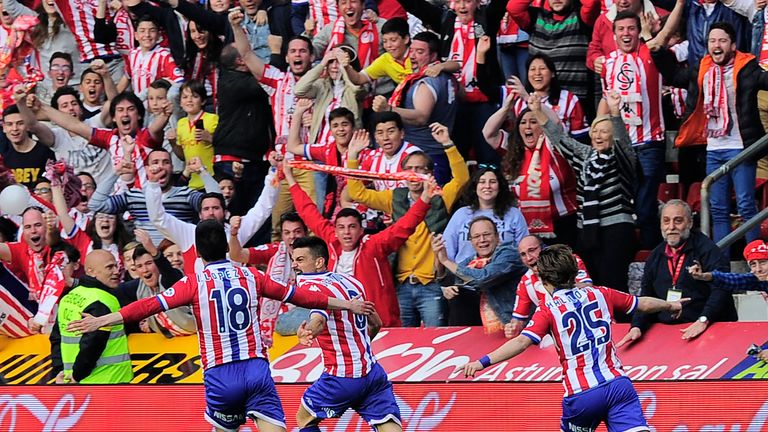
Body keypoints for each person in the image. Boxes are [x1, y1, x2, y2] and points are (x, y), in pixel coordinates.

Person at [66, 219, 375, 432]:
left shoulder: (194, 281)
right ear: (228, 249)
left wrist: (102, 320)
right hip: (256, 369)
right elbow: (304, 297)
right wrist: (347, 304)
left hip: (220, 374)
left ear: (198, 253)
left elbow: (146, 306)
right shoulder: (252, 275)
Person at [459, 244, 688, 431]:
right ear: (573, 272)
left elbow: (521, 342)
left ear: (543, 281)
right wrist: (671, 304)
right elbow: (643, 303)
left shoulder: (548, 309)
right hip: (619, 386)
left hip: (583, 395)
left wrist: (481, 362)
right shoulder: (600, 293)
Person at [655, 22, 768, 248]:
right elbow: (674, 77)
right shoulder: (702, 69)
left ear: (733, 45)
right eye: (712, 41)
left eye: (723, 41)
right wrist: (657, 50)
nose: (717, 45)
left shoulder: (747, 67)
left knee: (746, 204)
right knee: (718, 208)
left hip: (741, 147)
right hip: (714, 148)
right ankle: (720, 265)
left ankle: (757, 260)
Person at [346, 123, 470, 327]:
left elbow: (462, 178)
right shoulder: (394, 198)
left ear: (430, 173)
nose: (414, 173)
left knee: (435, 341)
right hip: (401, 285)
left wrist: (448, 144)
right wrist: (353, 157)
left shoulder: (440, 197)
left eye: (421, 169)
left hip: (431, 285)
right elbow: (357, 193)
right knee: (401, 339)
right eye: (410, 169)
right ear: (402, 173)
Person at [284, 162, 434, 327]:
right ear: (336, 229)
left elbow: (404, 226)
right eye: (341, 227)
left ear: (361, 229)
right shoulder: (331, 240)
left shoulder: (374, 245)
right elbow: (308, 212)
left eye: (352, 227)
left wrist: (425, 198)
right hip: (341, 323)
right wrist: (290, 178)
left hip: (377, 325)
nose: (346, 232)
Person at [292, 236, 401, 432]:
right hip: (372, 372)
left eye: (300, 260)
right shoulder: (350, 281)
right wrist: (357, 345)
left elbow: (319, 319)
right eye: (293, 260)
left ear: (319, 262)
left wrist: (308, 332)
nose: (294, 265)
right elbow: (376, 322)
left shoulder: (309, 285)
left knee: (304, 419)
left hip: (341, 376)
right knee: (387, 425)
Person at [533, 91, 638, 292]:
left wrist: (615, 113)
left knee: (613, 285)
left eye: (604, 132)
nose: (598, 135)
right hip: (588, 233)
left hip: (616, 231)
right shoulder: (585, 156)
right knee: (590, 285)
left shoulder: (621, 159)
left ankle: (618, 323)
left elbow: (623, 142)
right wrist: (538, 112)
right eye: (595, 131)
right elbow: (560, 140)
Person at [395, 0, 507, 165]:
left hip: (484, 99)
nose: (462, 6)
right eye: (458, 1)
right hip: (456, 101)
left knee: (487, 153)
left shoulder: (487, 18)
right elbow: (415, 5)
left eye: (468, 1)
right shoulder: (445, 19)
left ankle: (491, 187)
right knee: (457, 154)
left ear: (478, 3)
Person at [617, 200, 737, 347]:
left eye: (678, 221)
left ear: (690, 223)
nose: (671, 227)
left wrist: (703, 320)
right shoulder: (655, 256)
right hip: (668, 333)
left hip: (709, 329)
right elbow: (647, 295)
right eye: (666, 221)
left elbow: (722, 288)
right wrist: (636, 326)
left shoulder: (708, 250)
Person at [144, 155, 277, 274]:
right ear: (200, 215)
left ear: (225, 213)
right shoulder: (188, 233)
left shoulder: (235, 232)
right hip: (199, 299)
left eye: (215, 208)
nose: (211, 212)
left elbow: (264, 208)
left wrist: (274, 172)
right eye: (206, 209)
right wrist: (153, 184)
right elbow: (159, 218)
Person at [372, 31, 458, 184]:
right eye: (411, 50)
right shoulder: (449, 78)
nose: (412, 56)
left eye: (420, 52)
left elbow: (421, 117)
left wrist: (389, 109)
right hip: (438, 152)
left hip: (425, 156)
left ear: (433, 56)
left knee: (424, 202)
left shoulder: (427, 83)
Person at [40, 91, 171, 189]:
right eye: (120, 110)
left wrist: (164, 116)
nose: (125, 114)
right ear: (113, 117)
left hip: (143, 203)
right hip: (119, 204)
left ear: (139, 115)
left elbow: (155, 129)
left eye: (130, 110)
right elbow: (73, 125)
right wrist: (42, 107)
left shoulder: (145, 137)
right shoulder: (109, 138)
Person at [88, 150, 220, 244]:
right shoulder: (134, 195)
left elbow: (218, 202)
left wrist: (202, 171)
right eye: (155, 162)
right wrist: (116, 172)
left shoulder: (186, 194)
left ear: (172, 168)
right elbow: (95, 204)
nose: (160, 166)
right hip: (144, 259)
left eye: (165, 162)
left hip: (178, 257)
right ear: (146, 169)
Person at [490, 105, 579, 245]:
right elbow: (488, 132)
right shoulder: (514, 151)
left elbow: (555, 123)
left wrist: (529, 100)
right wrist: (508, 103)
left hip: (565, 224)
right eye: (523, 122)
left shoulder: (556, 146)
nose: (528, 126)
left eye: (533, 121)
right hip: (526, 229)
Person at [505, 0, 600, 116]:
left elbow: (592, 3)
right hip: (540, 98)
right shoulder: (535, 17)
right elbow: (513, 7)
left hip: (578, 100)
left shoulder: (581, 16)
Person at [212, 43, 275, 216]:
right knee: (237, 216)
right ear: (241, 60)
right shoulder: (233, 82)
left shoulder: (234, 78)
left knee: (257, 216)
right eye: (249, 53)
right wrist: (276, 54)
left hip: (253, 160)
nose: (253, 57)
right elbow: (268, 81)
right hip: (233, 161)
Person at [229, 211, 308, 346]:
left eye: (297, 231)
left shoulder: (316, 251)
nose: (292, 237)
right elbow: (237, 255)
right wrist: (234, 234)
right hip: (283, 316)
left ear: (305, 233)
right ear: (282, 235)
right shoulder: (275, 251)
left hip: (307, 307)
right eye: (287, 233)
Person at [433, 216, 527, 329]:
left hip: (511, 323)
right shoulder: (472, 260)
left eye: (486, 234)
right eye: (476, 236)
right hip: (481, 322)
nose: (482, 240)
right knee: (458, 296)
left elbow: (482, 278)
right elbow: (448, 279)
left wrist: (445, 260)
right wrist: (438, 258)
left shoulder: (509, 253)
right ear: (471, 241)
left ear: (497, 236)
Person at [55, 250, 132, 384]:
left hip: (72, 381)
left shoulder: (68, 297)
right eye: (110, 267)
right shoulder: (104, 300)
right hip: (109, 380)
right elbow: (92, 345)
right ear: (90, 271)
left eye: (116, 266)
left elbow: (56, 338)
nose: (116, 271)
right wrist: (77, 376)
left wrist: (60, 371)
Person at [505, 235, 591, 338]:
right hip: (557, 335)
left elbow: (587, 288)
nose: (529, 258)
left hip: (588, 324)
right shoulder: (525, 282)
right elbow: (518, 319)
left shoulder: (569, 261)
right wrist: (513, 328)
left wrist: (559, 291)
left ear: (544, 248)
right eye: (523, 254)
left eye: (532, 250)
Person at [442, 165, 528, 264]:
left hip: (505, 273)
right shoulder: (461, 214)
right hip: (464, 274)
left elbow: (524, 249)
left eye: (492, 182)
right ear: (475, 187)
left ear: (500, 187)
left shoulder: (514, 214)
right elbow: (447, 250)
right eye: (482, 182)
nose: (487, 186)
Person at [130, 242, 196, 337]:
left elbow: (168, 271)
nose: (145, 270)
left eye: (149, 263)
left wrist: (155, 254)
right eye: (139, 266)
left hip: (198, 338)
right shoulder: (140, 289)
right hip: (172, 343)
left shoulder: (172, 279)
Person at [116, 15, 184, 98]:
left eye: (152, 31)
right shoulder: (132, 54)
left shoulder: (163, 55)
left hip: (156, 108)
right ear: (136, 35)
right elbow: (127, 77)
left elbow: (179, 81)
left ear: (159, 35)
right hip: (138, 108)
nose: (147, 35)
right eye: (142, 31)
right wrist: (113, 99)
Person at [358, 111, 421, 191]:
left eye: (390, 131)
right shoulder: (373, 156)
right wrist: (352, 155)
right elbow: (355, 186)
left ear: (402, 133)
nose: (385, 137)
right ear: (375, 138)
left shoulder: (414, 155)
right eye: (380, 133)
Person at [175, 80, 218, 190]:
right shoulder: (181, 123)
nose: (189, 100)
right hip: (192, 182)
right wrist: (171, 141)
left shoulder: (212, 119)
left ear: (203, 101)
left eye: (194, 96)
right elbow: (181, 155)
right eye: (185, 97)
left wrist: (210, 138)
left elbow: (225, 145)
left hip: (211, 177)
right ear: (180, 102)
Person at [2, 105, 56, 189]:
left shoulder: (45, 153)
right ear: (4, 128)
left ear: (27, 126)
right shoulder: (3, 155)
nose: (15, 128)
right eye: (9, 124)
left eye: (20, 123)